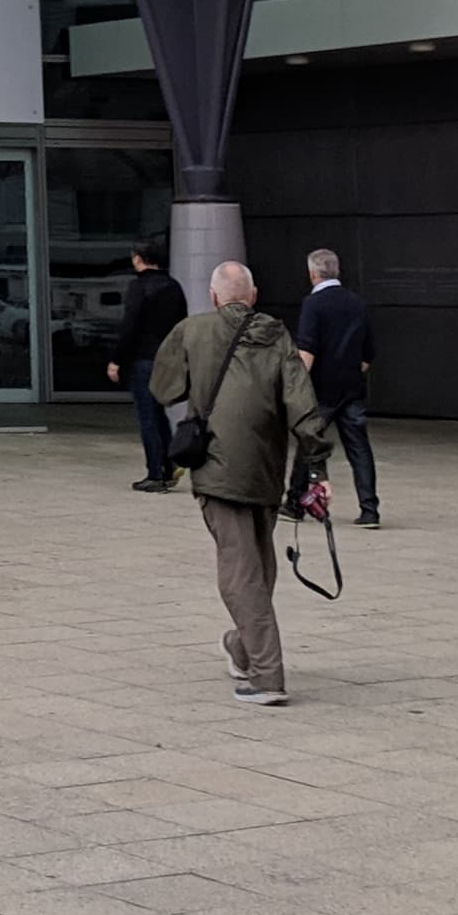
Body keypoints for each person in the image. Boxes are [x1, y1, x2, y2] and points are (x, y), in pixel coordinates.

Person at [150, 260, 330, 706]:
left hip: (217, 469)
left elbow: (163, 389)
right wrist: (318, 471)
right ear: (253, 295)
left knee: (241, 575)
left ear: (214, 297)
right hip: (265, 472)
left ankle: (268, 676)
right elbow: (304, 406)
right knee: (259, 566)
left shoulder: (193, 331)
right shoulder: (278, 337)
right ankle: (240, 646)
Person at [293, 246, 380, 527]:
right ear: (337, 270)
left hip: (321, 388)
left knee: (309, 442)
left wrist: (294, 383)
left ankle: (294, 502)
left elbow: (307, 349)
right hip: (352, 386)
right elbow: (369, 353)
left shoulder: (313, 304)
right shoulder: (357, 302)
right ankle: (369, 509)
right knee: (359, 448)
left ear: (313, 273)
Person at [108, 241, 188, 492]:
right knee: (159, 413)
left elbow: (130, 326)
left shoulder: (138, 287)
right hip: (167, 359)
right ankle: (170, 463)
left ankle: (156, 473)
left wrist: (117, 359)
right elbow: (181, 325)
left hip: (143, 358)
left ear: (138, 259)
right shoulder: (173, 286)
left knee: (147, 417)